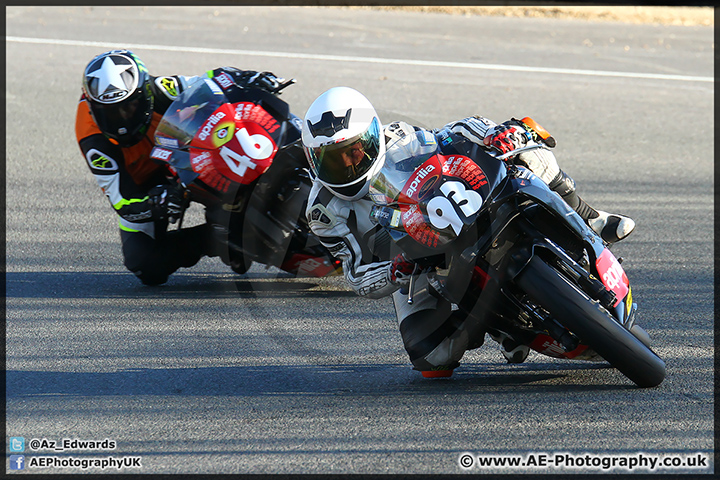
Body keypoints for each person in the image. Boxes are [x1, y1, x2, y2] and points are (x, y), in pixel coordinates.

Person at [301, 86, 636, 377]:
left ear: (373, 136)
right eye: (332, 159)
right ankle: (495, 325)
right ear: (313, 161)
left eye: (354, 151)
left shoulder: (398, 137)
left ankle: (588, 216)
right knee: (431, 360)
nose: (347, 165)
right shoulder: (323, 211)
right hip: (413, 263)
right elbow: (357, 275)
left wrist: (493, 133)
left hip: (453, 210)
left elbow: (449, 136)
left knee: (526, 155)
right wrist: (395, 269)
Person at [75, 49, 285, 285]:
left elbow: (207, 82)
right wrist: (155, 202)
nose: (123, 120)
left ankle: (287, 158)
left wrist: (247, 78)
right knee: (144, 264)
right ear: (93, 109)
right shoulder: (93, 142)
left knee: (229, 131)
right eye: (110, 114)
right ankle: (219, 236)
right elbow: (123, 202)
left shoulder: (158, 89)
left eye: (130, 106)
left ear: (144, 94)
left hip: (184, 158)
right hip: (148, 187)